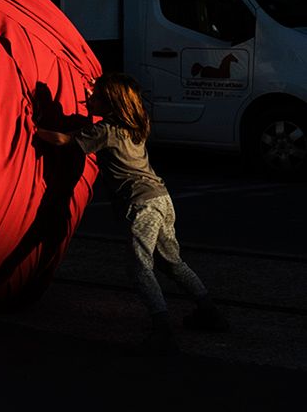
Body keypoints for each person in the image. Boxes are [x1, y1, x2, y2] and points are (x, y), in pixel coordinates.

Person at [36, 72, 229, 353]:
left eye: (95, 96)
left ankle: (162, 328)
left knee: (140, 269)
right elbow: (113, 107)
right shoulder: (137, 124)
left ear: (111, 102)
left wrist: (32, 129)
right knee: (172, 262)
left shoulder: (106, 131)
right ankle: (209, 310)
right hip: (161, 199)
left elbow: (64, 141)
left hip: (140, 205)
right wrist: (100, 92)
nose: (89, 99)